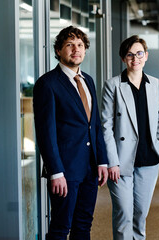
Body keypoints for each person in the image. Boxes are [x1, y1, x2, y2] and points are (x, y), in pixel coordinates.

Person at [33, 26, 109, 240]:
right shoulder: (47, 84)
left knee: (84, 225)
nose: (76, 50)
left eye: (80, 45)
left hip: (90, 168)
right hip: (65, 171)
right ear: (58, 50)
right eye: (69, 45)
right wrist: (56, 172)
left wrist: (102, 161)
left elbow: (95, 125)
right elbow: (46, 133)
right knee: (60, 227)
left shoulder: (88, 81)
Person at [101, 35, 159, 240]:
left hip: (149, 158)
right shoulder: (113, 85)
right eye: (130, 55)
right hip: (121, 162)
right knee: (124, 215)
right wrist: (112, 162)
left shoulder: (154, 83)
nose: (135, 59)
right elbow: (106, 126)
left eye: (139, 53)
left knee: (140, 215)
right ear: (123, 58)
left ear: (146, 56)